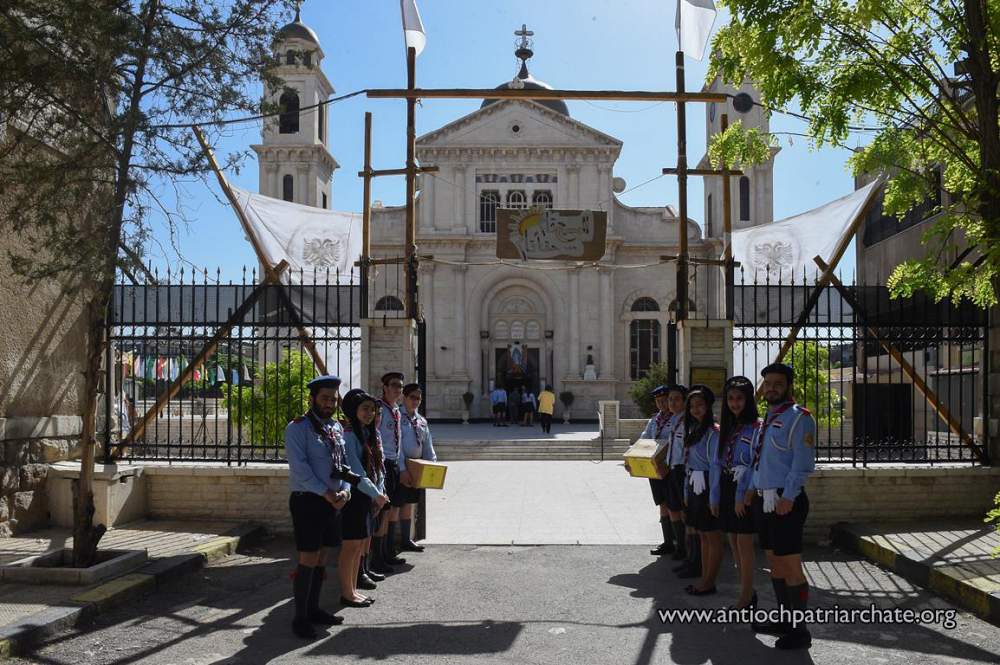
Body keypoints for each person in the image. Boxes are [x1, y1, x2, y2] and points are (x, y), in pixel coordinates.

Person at [749, 363, 817, 650]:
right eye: (768, 384)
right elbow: (761, 461)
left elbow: (802, 464)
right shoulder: (767, 418)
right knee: (774, 562)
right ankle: (784, 620)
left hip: (785, 500)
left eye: (778, 383)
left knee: (790, 566)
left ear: (788, 386)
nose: (772, 388)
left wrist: (788, 497)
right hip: (765, 499)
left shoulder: (799, 418)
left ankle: (800, 631)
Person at [284, 375, 352, 638]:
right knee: (308, 557)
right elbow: (300, 469)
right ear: (312, 399)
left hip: (333, 500)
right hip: (309, 501)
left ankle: (314, 609)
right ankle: (300, 618)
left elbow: (342, 464)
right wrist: (327, 493)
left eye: (333, 399)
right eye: (325, 398)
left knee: (323, 556)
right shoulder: (297, 428)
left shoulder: (335, 427)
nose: (330, 404)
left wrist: (345, 491)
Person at [710, 376, 759, 610]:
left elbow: (755, 463)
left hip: (744, 487)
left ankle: (746, 596)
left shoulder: (757, 427)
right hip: (727, 485)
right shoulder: (728, 427)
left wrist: (743, 495)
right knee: (733, 541)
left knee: (744, 543)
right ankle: (747, 592)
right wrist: (714, 497)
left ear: (748, 400)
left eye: (740, 398)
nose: (735, 403)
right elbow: (717, 462)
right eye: (730, 398)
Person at [339, 389, 390, 608]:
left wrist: (380, 492)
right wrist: (376, 494)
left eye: (372, 409)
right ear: (354, 411)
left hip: (369, 496)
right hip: (356, 495)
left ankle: (353, 589)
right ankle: (347, 592)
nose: (370, 413)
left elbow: (379, 467)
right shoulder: (350, 435)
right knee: (351, 546)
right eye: (365, 409)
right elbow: (356, 471)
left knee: (360, 544)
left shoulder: (371, 433)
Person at [680, 384, 722, 595]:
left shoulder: (713, 432)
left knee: (712, 537)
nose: (695, 409)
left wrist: (713, 498)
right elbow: (687, 463)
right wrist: (686, 492)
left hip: (706, 484)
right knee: (703, 536)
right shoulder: (693, 430)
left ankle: (709, 581)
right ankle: (704, 579)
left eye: (700, 405)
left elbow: (715, 466)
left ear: (708, 406)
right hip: (694, 484)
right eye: (692, 406)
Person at [640, 385, 685, 557]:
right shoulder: (655, 420)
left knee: (675, 505)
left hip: (670, 468)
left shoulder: (678, 419)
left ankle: (680, 543)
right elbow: (645, 438)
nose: (662, 404)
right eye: (658, 401)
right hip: (656, 468)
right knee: (662, 503)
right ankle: (668, 542)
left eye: (664, 400)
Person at [372, 372, 407, 574]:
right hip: (382, 463)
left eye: (400, 386)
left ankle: (386, 552)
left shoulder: (396, 410)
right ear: (385, 387)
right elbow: (374, 435)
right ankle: (377, 557)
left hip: (393, 463)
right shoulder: (379, 409)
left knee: (390, 510)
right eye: (394, 385)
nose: (398, 389)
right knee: (382, 511)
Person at [397, 383, 438, 552]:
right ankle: (389, 544)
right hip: (401, 466)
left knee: (409, 503)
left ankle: (406, 539)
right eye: (412, 397)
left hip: (416, 467)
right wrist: (402, 468)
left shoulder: (421, 421)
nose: (415, 401)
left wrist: (432, 464)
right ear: (404, 398)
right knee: (395, 506)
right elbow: (396, 445)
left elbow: (427, 444)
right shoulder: (397, 417)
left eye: (418, 399)